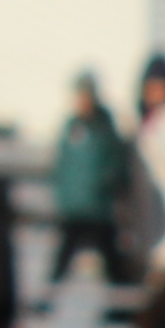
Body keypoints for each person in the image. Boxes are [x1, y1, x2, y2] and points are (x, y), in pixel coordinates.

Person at [45, 74, 131, 287]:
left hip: (97, 207)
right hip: (73, 207)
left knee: (111, 258)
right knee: (63, 257)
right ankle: (47, 300)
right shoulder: (70, 127)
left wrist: (102, 186)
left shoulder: (104, 130)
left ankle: (120, 305)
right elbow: (62, 165)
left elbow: (116, 165)